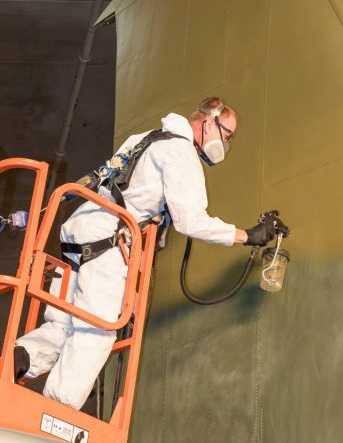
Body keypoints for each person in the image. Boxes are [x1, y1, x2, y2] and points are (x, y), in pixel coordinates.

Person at [14, 97, 276, 410]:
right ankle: (55, 413)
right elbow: (191, 220)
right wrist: (246, 236)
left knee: (65, 324)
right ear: (208, 123)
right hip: (106, 241)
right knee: (99, 327)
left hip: (80, 231)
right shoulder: (181, 154)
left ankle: (19, 358)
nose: (225, 143)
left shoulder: (147, 138)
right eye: (227, 134)